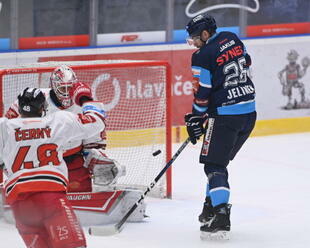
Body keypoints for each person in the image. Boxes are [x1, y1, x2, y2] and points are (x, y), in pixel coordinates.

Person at [0, 87, 107, 248]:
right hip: (50, 198)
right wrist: (85, 98)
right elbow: (97, 123)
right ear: (43, 108)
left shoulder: (4, 127)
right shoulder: (58, 121)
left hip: (20, 205)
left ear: (20, 108)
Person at [185, 14, 257, 240]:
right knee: (218, 163)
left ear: (206, 34)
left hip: (226, 117)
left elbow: (203, 92)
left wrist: (197, 117)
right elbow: (248, 62)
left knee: (214, 166)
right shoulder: (232, 38)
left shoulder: (201, 56)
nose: (194, 42)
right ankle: (210, 206)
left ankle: (221, 214)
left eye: (196, 37)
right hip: (249, 114)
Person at [5, 65, 121, 192]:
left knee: (78, 196)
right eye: (62, 88)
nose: (66, 93)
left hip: (73, 161)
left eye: (70, 88)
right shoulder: (36, 99)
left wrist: (93, 157)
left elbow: (92, 140)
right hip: (41, 163)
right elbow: (10, 131)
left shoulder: (81, 106)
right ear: (53, 86)